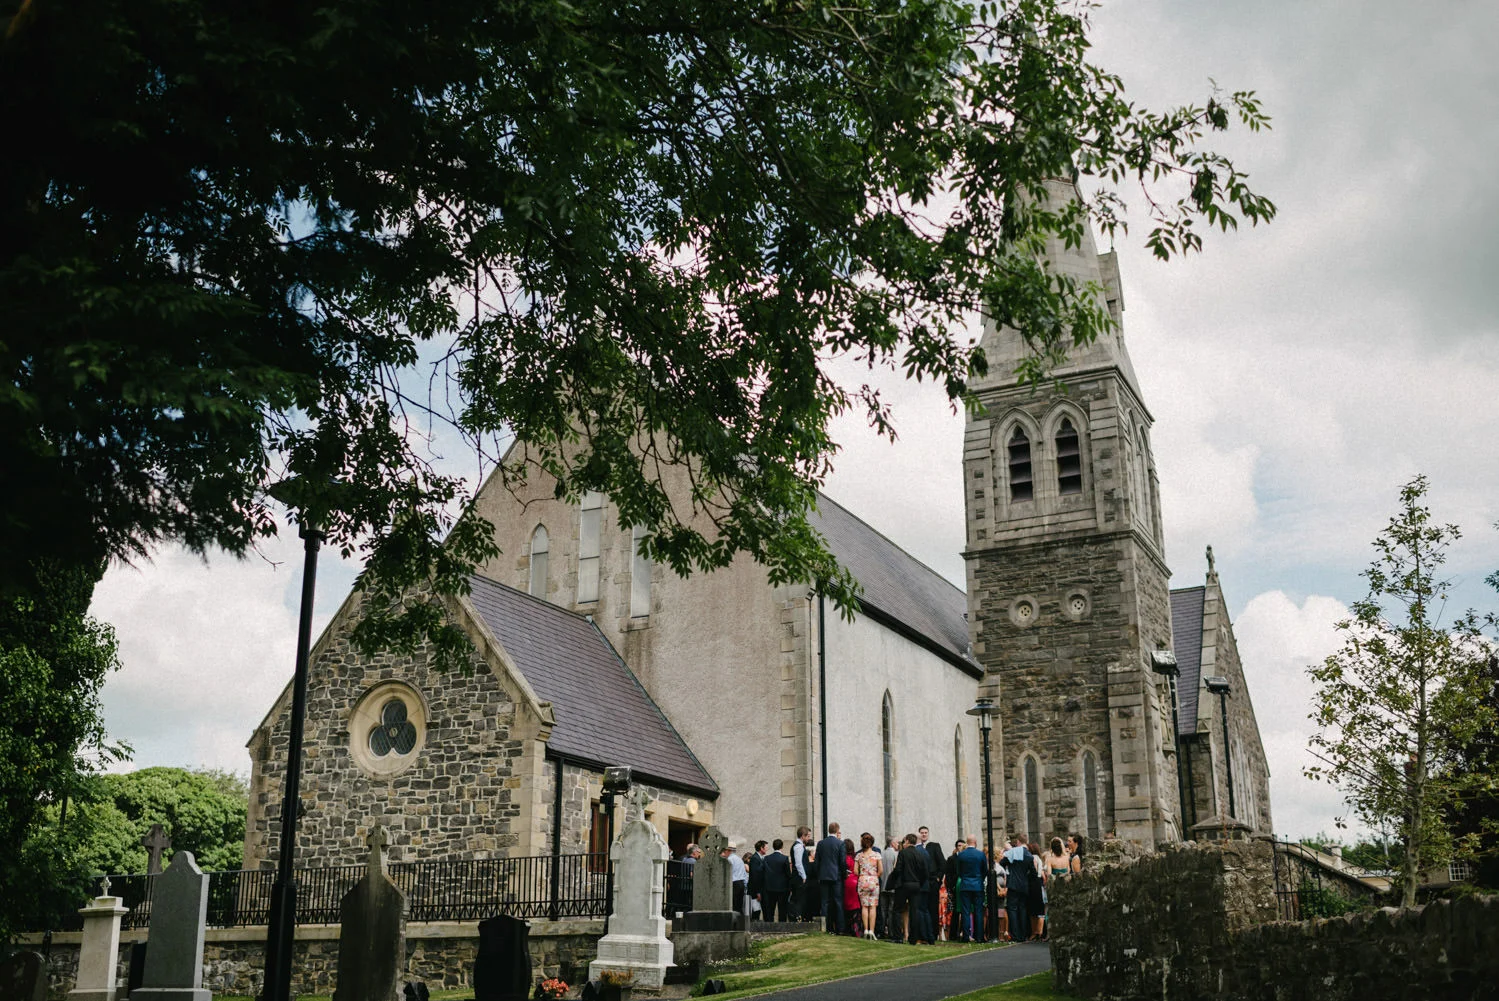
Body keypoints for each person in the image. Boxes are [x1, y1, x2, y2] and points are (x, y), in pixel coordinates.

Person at [890, 833, 930, 944]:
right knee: (914, 911)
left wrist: (893, 880)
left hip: (904, 885)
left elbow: (898, 869)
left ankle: (898, 937)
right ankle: (913, 938)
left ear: (907, 841)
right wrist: (919, 883)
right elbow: (925, 873)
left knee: (897, 910)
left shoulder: (903, 853)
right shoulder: (919, 854)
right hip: (916, 885)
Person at [954, 836, 988, 943]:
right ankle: (979, 936)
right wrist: (980, 879)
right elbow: (984, 870)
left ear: (967, 842)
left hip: (965, 884)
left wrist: (964, 878)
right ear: (975, 842)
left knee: (965, 911)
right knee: (978, 911)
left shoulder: (962, 855)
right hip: (977, 884)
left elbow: (958, 871)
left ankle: (966, 936)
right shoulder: (980, 854)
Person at [816, 822, 848, 934]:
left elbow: (817, 862)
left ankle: (825, 928)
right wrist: (844, 875)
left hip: (824, 876)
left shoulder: (821, 843)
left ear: (829, 830)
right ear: (837, 830)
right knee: (838, 902)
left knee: (824, 903)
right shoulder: (840, 843)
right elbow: (842, 862)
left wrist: (818, 875)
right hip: (836, 876)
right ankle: (840, 929)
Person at [1003, 836, 1033, 942]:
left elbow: (1002, 863)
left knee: (1012, 909)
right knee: (1022, 909)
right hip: (1024, 885)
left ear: (1018, 842)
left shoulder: (1013, 852)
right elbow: (1032, 872)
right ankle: (1023, 935)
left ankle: (1015, 934)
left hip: (1013, 884)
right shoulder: (1029, 856)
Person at [919, 826, 944, 944]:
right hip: (921, 882)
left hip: (933, 881)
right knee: (922, 908)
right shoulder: (917, 848)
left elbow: (942, 863)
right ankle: (923, 933)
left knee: (933, 908)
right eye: (922, 833)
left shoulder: (934, 846)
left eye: (925, 833)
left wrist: (938, 878)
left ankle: (933, 934)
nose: (924, 834)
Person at [855, 832, 883, 940]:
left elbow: (855, 871)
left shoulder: (859, 856)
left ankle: (865, 929)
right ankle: (872, 931)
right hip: (873, 881)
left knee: (864, 906)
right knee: (873, 907)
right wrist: (874, 876)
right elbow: (881, 870)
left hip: (862, 880)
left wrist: (863, 875)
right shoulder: (876, 855)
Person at [761, 838, 793, 921]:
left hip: (770, 887)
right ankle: (781, 926)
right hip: (782, 888)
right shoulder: (784, 858)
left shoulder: (767, 858)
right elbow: (788, 874)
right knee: (782, 909)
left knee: (770, 909)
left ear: (773, 847)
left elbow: (764, 872)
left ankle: (770, 926)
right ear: (782, 846)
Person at [877, 836, 899, 939]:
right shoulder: (895, 854)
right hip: (892, 886)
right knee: (891, 911)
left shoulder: (881, 854)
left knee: (883, 910)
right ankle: (890, 932)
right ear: (892, 843)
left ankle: (881, 931)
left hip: (883, 886)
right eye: (897, 843)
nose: (898, 844)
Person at [791, 826, 811, 920]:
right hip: (799, 877)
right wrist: (804, 876)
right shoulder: (798, 846)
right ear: (803, 836)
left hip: (798, 877)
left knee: (799, 898)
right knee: (799, 899)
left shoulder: (799, 846)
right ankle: (797, 918)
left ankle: (798, 917)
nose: (809, 838)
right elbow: (798, 863)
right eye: (808, 836)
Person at [1027, 841, 1046, 941]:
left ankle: (1036, 932)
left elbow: (1033, 871)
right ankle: (1039, 931)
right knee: (1039, 908)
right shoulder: (1039, 858)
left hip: (1033, 883)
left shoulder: (1033, 858)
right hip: (1038, 883)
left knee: (1034, 909)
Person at [842, 837, 861, 935]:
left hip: (846, 882)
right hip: (855, 881)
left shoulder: (844, 859)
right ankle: (856, 928)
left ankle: (847, 928)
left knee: (846, 906)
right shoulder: (855, 858)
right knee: (855, 905)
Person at [748, 840, 768, 920]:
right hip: (755, 891)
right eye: (766, 847)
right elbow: (755, 877)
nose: (767, 849)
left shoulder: (761, 858)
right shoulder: (755, 859)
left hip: (760, 890)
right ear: (761, 848)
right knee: (756, 912)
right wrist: (758, 892)